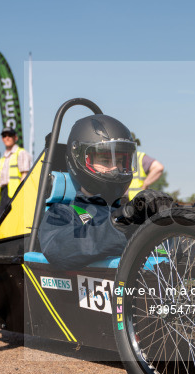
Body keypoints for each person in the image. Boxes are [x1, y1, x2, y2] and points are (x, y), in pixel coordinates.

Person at [39, 115, 173, 270]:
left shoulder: (128, 211)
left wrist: (171, 220)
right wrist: (119, 224)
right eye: (105, 160)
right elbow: (59, 250)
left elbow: (166, 253)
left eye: (121, 161)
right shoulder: (63, 212)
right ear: (80, 159)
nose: (116, 168)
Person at [0, 127, 33, 213]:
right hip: (4, 194)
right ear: (2, 139)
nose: (7, 137)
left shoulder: (21, 153)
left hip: (16, 193)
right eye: (4, 136)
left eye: (10, 135)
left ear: (15, 137)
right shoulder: (2, 159)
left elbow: (25, 175)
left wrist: (20, 194)